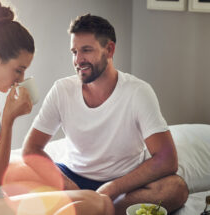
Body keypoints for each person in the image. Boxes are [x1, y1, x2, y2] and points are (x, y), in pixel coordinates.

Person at [0, 1, 114, 214]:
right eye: (18, 70)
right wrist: (8, 121)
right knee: (94, 203)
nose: (21, 79)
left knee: (100, 201)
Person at [22, 14, 189, 215]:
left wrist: (112, 188)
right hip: (73, 179)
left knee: (176, 188)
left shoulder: (138, 92)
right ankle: (92, 207)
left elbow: (166, 159)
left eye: (86, 50)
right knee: (21, 174)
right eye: (74, 52)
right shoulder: (62, 90)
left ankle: (94, 210)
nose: (78, 60)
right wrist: (74, 189)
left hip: (123, 185)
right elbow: (31, 150)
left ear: (109, 49)